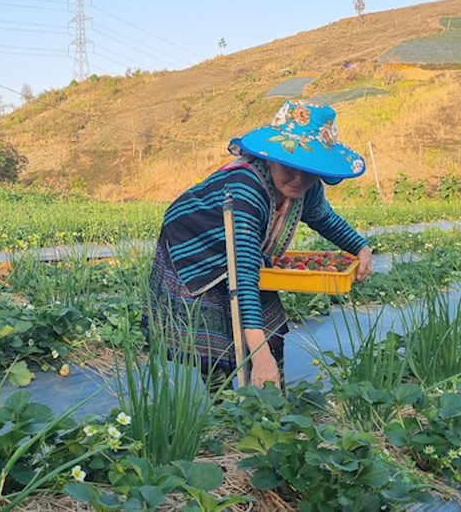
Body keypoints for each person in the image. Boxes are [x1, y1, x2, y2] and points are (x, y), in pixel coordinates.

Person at [144, 100, 373, 390]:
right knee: (216, 345)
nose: (299, 177)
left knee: (269, 327)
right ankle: (227, 412)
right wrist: (259, 356)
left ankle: (269, 404)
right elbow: (243, 273)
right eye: (290, 165)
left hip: (243, 251)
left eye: (309, 168)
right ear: (271, 158)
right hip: (193, 247)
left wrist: (361, 248)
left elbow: (324, 219)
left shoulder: (307, 186)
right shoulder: (246, 187)